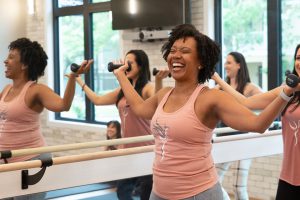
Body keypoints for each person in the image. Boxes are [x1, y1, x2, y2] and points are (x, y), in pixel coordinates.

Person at [112, 24, 298, 200]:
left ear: (200, 62)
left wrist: (285, 93)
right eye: (173, 50)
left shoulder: (211, 97)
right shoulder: (163, 95)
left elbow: (258, 125)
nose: (176, 55)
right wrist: (121, 77)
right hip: (159, 193)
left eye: (185, 51)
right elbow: (139, 108)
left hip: (197, 194)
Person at [0, 38, 91, 199]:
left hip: (31, 161)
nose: (6, 61)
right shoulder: (7, 89)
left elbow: (63, 105)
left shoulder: (36, 90)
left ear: (25, 65)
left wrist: (73, 76)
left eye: (12, 57)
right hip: (6, 160)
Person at [212, 44, 300, 200]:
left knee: (239, 188)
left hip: (244, 144)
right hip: (289, 175)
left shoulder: (252, 86)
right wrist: (216, 78)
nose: (299, 62)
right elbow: (247, 103)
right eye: (298, 58)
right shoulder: (287, 90)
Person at [75, 49, 154, 200]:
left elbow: (158, 101)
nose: (125, 67)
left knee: (147, 194)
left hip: (147, 150)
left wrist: (159, 81)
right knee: (123, 192)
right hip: (127, 150)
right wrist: (79, 80)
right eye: (124, 64)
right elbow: (97, 100)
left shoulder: (147, 88)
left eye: (129, 64)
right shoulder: (122, 90)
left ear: (141, 67)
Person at [214, 52, 262, 200]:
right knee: (214, 183)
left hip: (243, 140)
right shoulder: (220, 87)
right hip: (224, 139)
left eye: (229, 62)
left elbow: (268, 104)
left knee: (238, 188)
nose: (225, 66)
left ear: (239, 65)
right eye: (225, 62)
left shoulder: (249, 88)